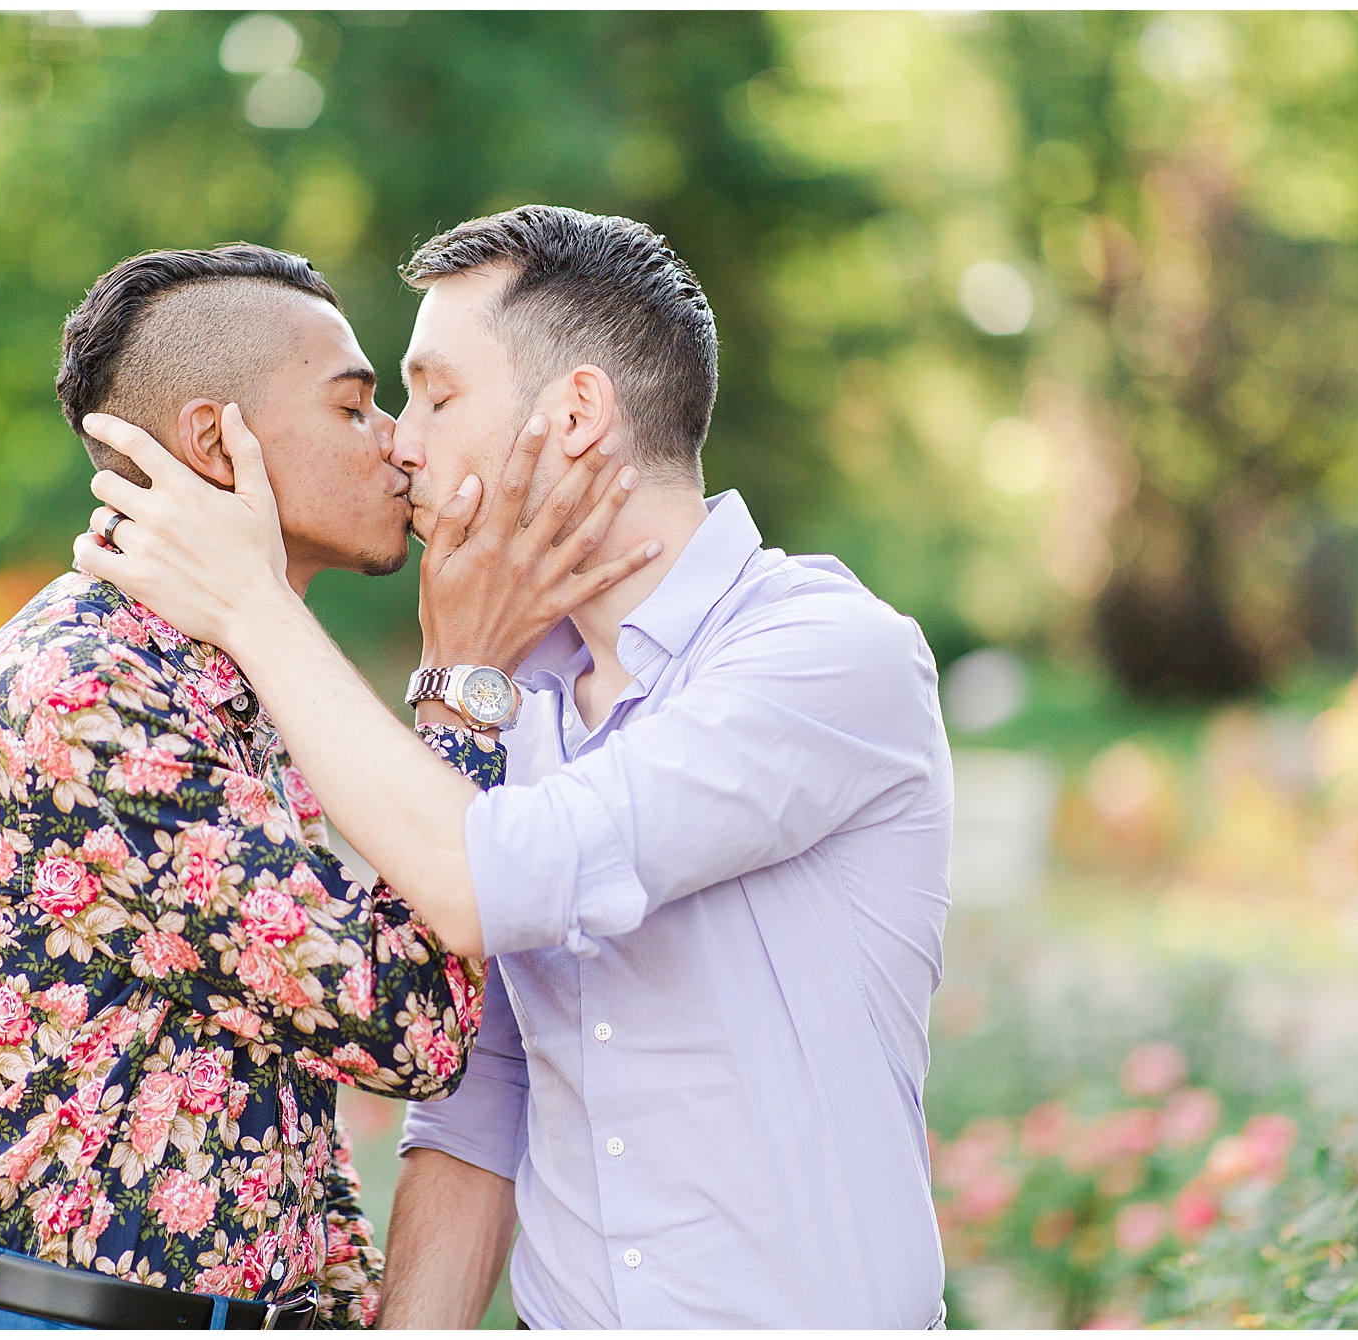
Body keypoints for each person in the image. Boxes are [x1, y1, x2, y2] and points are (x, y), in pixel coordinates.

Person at [72, 205, 954, 1328]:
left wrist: (253, 605)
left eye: (436, 394)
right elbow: (476, 1099)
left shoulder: (823, 652)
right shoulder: (510, 702)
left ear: (574, 413)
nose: (399, 439)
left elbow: (499, 874)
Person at [0, 242, 652, 1330]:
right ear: (219, 441)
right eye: (353, 409)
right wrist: (460, 690)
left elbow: (272, 1102)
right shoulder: (89, 681)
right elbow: (402, 1026)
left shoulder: (224, 678)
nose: (398, 442)